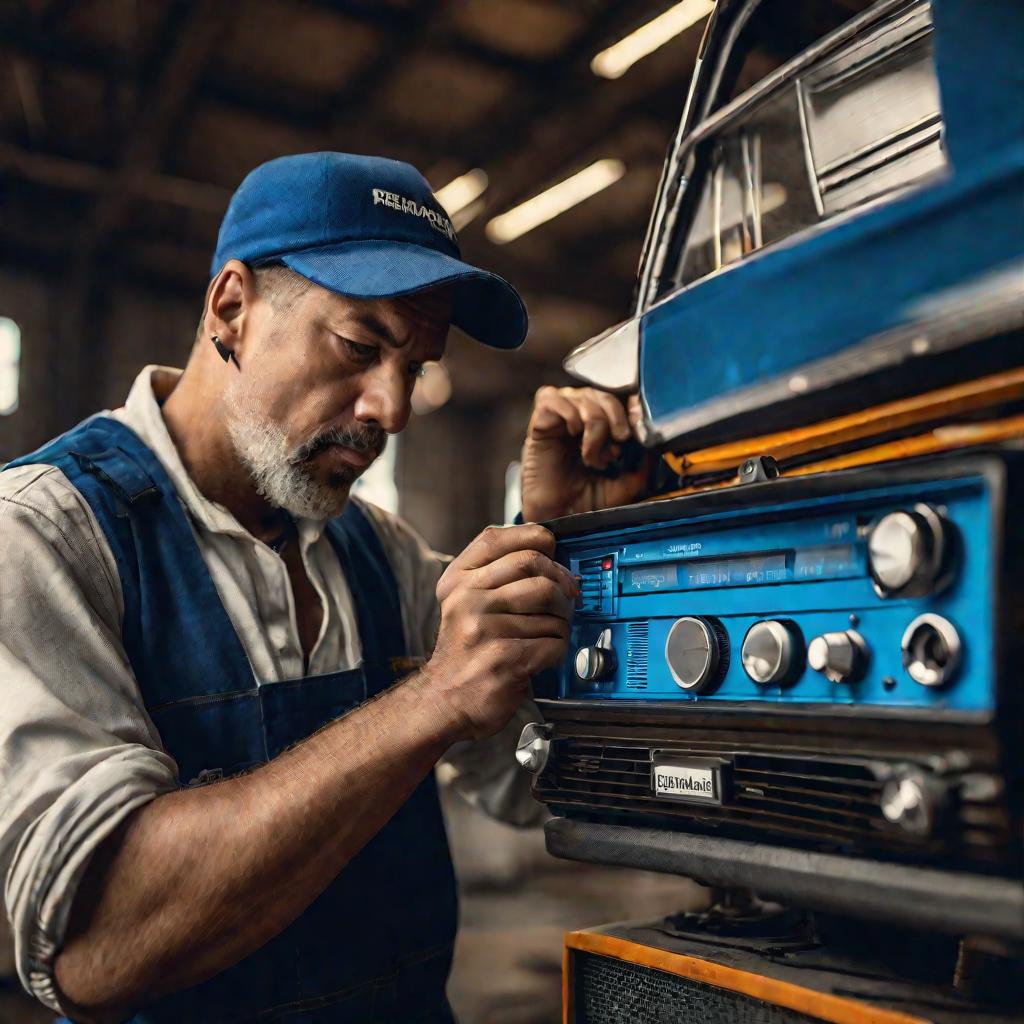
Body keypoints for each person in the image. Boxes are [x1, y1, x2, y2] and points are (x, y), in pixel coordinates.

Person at [0, 152, 649, 1023]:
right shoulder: (45, 535)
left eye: (414, 367)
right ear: (231, 308)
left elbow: (537, 782)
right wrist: (434, 697)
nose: (394, 409)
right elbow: (95, 947)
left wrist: (576, 554)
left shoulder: (378, 553)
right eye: (360, 345)